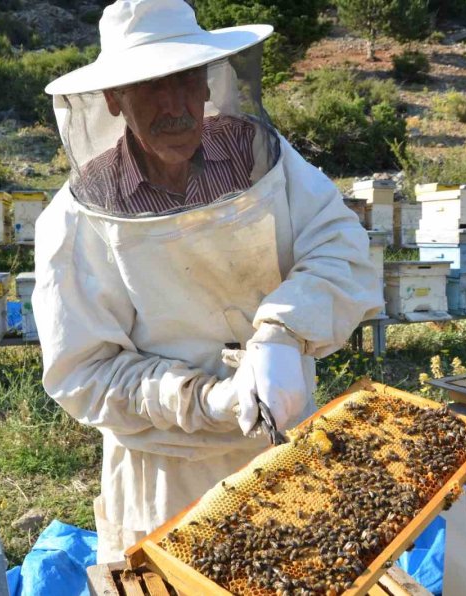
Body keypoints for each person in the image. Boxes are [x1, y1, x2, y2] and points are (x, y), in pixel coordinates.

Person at [32, 0, 383, 564]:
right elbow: (85, 373)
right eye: (149, 87)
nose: (173, 106)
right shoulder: (73, 223)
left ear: (209, 81)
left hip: (286, 443)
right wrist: (209, 399)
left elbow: (341, 246)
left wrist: (283, 333)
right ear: (112, 99)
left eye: (184, 80)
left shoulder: (260, 157)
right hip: (166, 470)